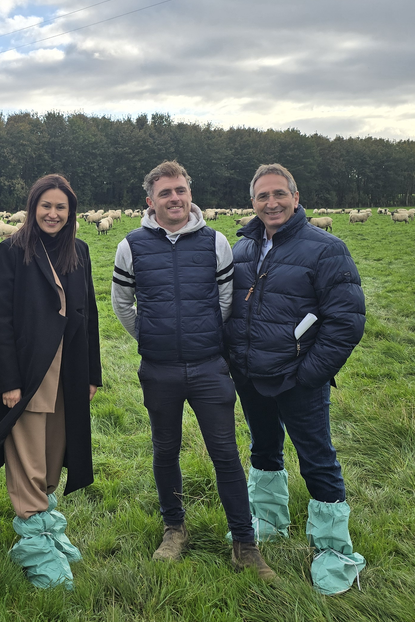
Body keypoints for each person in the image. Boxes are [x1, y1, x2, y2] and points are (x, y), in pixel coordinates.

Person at [111, 160, 276, 582]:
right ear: (151, 201)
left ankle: (244, 542)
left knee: (225, 454)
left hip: (208, 368)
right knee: (165, 450)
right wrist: (151, 338)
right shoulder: (131, 245)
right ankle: (174, 528)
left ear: (190, 193)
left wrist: (202, 339)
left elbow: (225, 301)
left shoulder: (215, 241)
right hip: (159, 370)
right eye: (165, 193)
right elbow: (122, 305)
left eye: (180, 190)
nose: (175, 199)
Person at [227, 163, 366, 595]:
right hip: (252, 376)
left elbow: (346, 321)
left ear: (295, 196)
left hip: (299, 379)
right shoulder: (242, 249)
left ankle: (333, 548)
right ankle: (268, 519)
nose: (271, 203)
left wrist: (309, 374)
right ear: (253, 202)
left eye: (278, 195)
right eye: (262, 197)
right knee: (263, 446)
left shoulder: (326, 248)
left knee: (317, 457)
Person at [0, 174, 101, 589]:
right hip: (28, 375)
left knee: (54, 455)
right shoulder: (12, 252)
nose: (53, 214)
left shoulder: (81, 251)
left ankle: (46, 529)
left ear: (70, 212)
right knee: (28, 460)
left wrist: (92, 373)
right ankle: (37, 549)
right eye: (46, 206)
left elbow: (89, 314)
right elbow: (0, 322)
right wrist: (8, 380)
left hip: (68, 374)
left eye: (61, 207)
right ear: (32, 207)